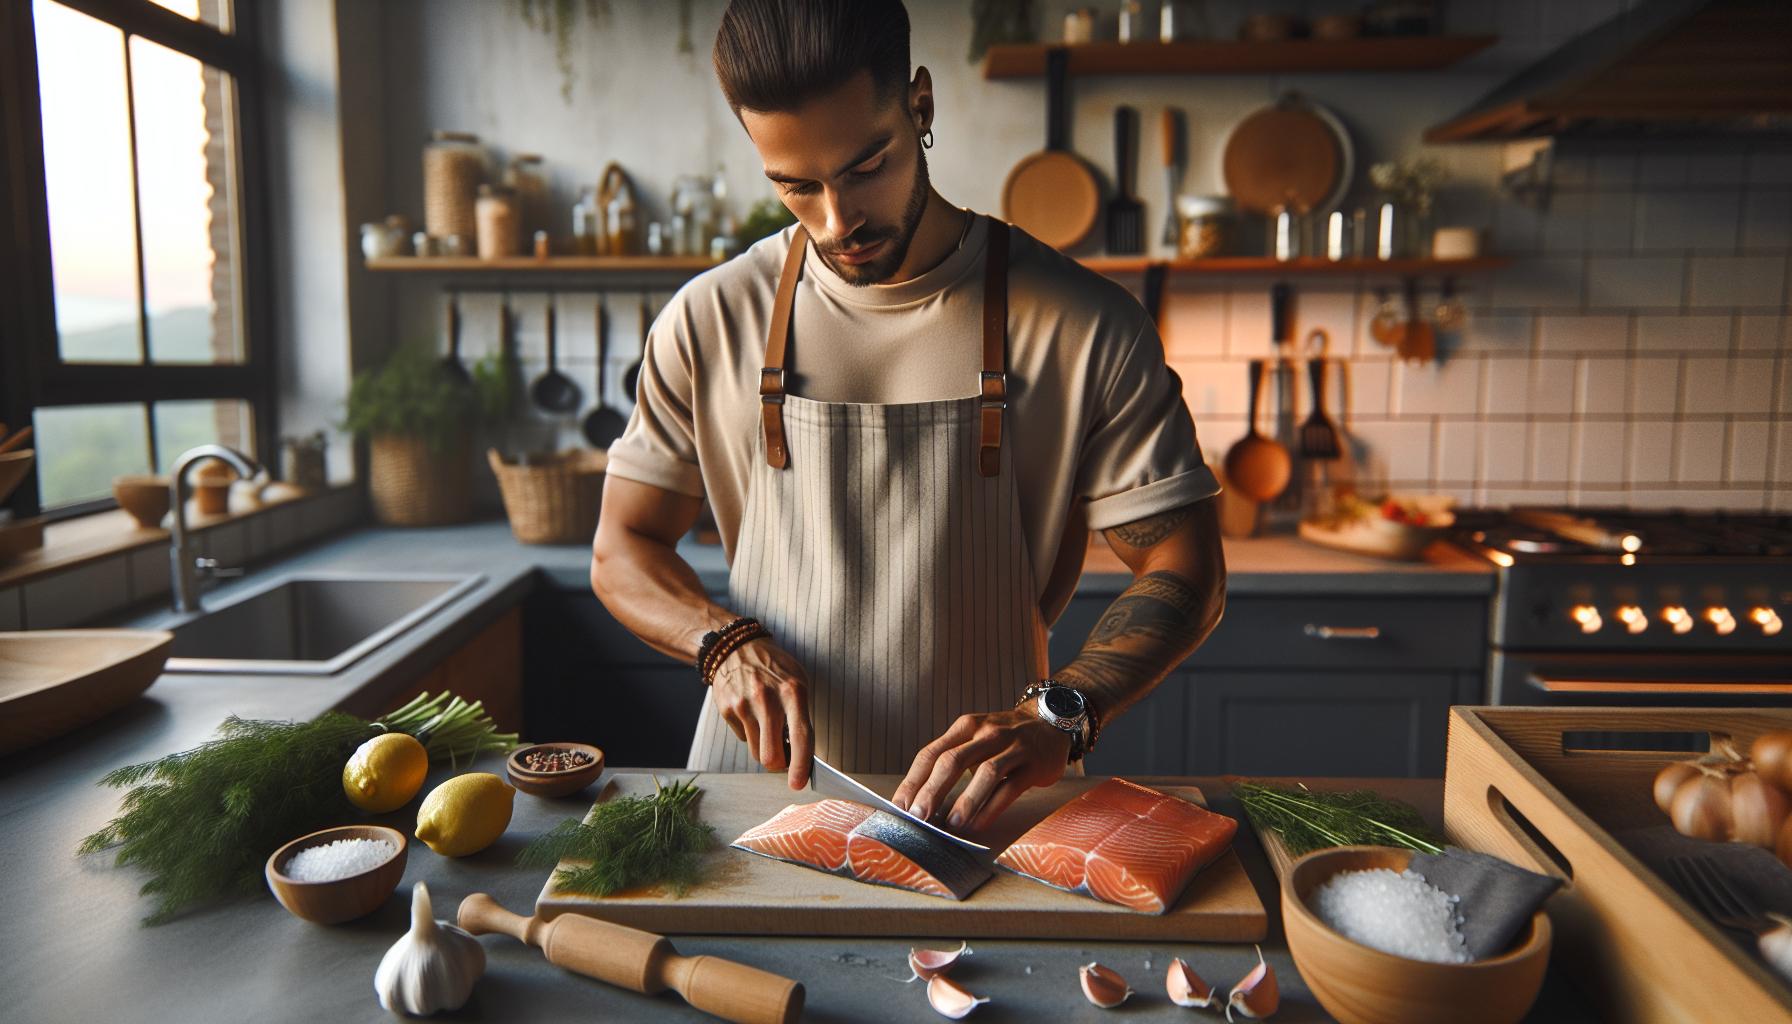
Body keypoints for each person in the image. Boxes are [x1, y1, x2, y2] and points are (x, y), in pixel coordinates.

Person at [591, 0, 1226, 834]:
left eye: (866, 167)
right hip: (755, 800)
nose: (837, 220)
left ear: (920, 105)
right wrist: (721, 642)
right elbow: (621, 548)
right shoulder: (709, 320)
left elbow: (1186, 568)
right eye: (795, 185)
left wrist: (1060, 715)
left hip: (986, 805)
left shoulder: (1083, 325)